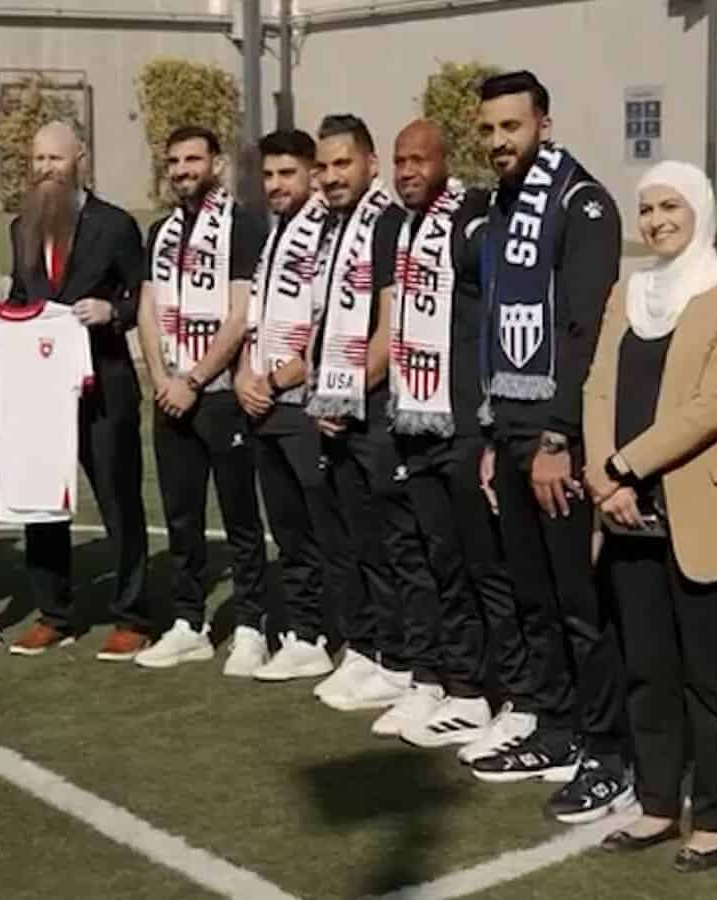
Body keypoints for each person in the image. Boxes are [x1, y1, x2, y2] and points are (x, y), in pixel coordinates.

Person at [583, 161, 717, 871]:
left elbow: (714, 403)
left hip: (702, 508)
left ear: (700, 211)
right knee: (647, 669)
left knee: (710, 677)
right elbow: (598, 389)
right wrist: (605, 481)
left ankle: (716, 817)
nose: (656, 221)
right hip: (626, 513)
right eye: (648, 208)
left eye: (671, 207)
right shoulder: (628, 292)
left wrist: (626, 466)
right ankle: (658, 804)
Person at [464, 71, 632, 825]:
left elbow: (583, 330)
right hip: (511, 429)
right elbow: (498, 326)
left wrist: (557, 437)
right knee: (533, 597)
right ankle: (557, 727)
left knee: (578, 604)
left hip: (557, 437)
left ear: (544, 124)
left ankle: (609, 752)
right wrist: (495, 434)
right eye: (489, 129)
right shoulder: (501, 205)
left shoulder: (580, 202)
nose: (499, 140)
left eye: (513, 126)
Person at [262, 112, 435, 703]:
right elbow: (323, 319)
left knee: (393, 545)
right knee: (352, 542)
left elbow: (392, 325)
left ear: (370, 164)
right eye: (325, 166)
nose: (333, 176)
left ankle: (405, 662)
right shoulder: (331, 229)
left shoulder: (385, 223)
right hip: (335, 406)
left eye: (344, 164)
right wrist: (320, 388)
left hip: (376, 410)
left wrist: (350, 391)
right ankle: (370, 649)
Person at [365, 120, 520, 752]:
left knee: (485, 568)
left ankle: (512, 695)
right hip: (415, 418)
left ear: (444, 161)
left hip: (464, 423)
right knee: (440, 564)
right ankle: (460, 685)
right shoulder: (400, 228)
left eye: (418, 160)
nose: (407, 171)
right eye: (399, 161)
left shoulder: (472, 217)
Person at [5, 121, 152, 661]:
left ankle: (133, 616)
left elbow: (144, 298)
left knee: (119, 501)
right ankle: (54, 614)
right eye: (39, 159)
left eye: (56, 159)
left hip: (105, 388)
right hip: (43, 394)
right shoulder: (21, 227)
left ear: (80, 159)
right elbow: (20, 298)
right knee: (42, 505)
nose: (47, 169)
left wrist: (114, 311)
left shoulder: (115, 225)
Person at [133, 126, 269, 670]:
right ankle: (188, 622)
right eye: (174, 161)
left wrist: (193, 381)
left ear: (215, 164)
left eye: (193, 159)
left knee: (240, 518)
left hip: (218, 396)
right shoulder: (160, 230)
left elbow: (240, 315)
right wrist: (161, 378)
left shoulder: (242, 224)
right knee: (181, 518)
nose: (182, 170)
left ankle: (253, 625)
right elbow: (147, 308)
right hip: (169, 394)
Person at [233, 129, 344, 677]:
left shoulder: (327, 231)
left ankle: (331, 633)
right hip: (265, 404)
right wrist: (244, 376)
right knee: (288, 529)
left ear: (312, 174)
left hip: (302, 404)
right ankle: (304, 631)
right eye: (269, 175)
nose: (275, 184)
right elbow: (256, 319)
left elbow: (327, 327)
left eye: (287, 173)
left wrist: (276, 381)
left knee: (322, 527)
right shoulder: (274, 230)